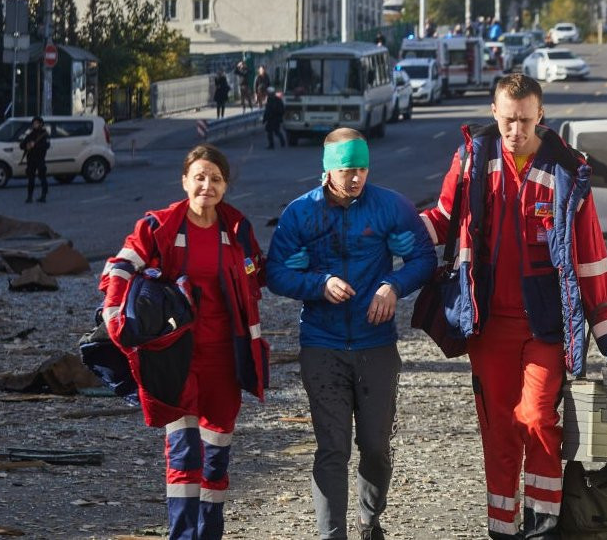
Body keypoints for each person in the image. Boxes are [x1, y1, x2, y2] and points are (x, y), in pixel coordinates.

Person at [419, 73, 607, 539]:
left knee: (538, 418)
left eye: (524, 120)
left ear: (540, 115)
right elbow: (441, 218)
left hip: (546, 326)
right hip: (486, 326)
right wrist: (383, 238)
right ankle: (502, 529)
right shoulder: (471, 161)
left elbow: (591, 259)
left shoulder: (567, 170)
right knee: (499, 431)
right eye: (506, 121)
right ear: (494, 114)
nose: (515, 131)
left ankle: (543, 528)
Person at [266, 128, 436, 540]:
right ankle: (332, 534)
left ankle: (369, 518)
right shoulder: (300, 213)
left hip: (376, 343)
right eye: (347, 170)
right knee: (332, 446)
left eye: (361, 168)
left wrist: (393, 286)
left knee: (375, 447)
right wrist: (318, 284)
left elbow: (424, 257)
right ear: (327, 170)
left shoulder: (389, 206)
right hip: (321, 344)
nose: (356, 177)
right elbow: (276, 272)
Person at [99, 143, 270, 540]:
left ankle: (209, 534)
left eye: (215, 179)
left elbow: (258, 273)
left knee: (216, 456)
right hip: (174, 359)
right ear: (184, 181)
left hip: (226, 360)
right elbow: (120, 267)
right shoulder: (159, 226)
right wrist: (113, 317)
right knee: (182, 452)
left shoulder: (238, 228)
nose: (206, 186)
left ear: (225, 185)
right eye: (199, 178)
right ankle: (181, 535)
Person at [20, 116, 50, 203]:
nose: (35, 125)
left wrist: (35, 145)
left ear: (41, 124)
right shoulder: (30, 134)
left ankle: (43, 196)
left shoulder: (44, 134)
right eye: (34, 123)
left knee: (42, 178)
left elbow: (46, 146)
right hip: (31, 159)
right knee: (31, 179)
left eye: (36, 123)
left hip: (40, 159)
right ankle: (29, 197)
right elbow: (22, 145)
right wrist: (27, 145)